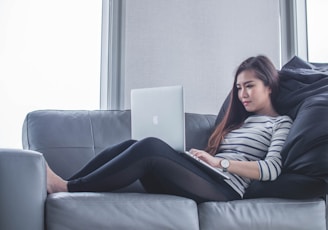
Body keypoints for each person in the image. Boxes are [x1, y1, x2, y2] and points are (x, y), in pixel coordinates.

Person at [47, 55, 293, 203]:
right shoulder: (239, 122)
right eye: (238, 88)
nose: (242, 94)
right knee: (135, 144)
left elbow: (271, 169)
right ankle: (69, 183)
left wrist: (220, 163)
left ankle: (67, 188)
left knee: (150, 147)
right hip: (207, 177)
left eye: (249, 86)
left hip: (226, 189)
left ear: (269, 85)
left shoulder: (280, 123)